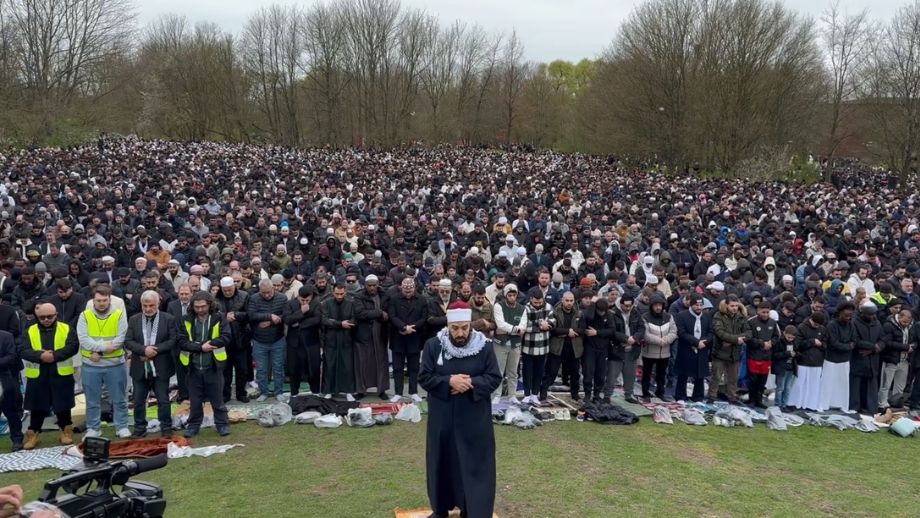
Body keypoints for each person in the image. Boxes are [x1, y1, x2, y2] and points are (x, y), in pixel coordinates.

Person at [418, 300, 501, 518]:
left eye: (465, 327)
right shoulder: (433, 346)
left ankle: (474, 511)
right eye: (455, 328)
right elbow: (425, 377)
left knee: (475, 466)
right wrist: (449, 381)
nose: (460, 333)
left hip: (474, 419)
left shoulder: (484, 346)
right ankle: (440, 509)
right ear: (447, 325)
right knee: (441, 463)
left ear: (470, 325)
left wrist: (470, 383)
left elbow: (493, 378)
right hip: (442, 419)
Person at [18, 301, 79, 450]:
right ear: (37, 316)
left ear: (56, 315)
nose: (46, 320)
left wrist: (54, 356)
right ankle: (33, 434)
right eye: (42, 317)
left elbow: (73, 346)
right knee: (36, 406)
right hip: (38, 374)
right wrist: (41, 356)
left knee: (63, 404)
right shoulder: (30, 330)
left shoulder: (66, 328)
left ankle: (66, 431)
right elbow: (23, 349)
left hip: (60, 372)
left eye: (50, 316)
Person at [77, 285, 130, 439]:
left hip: (115, 364)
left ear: (109, 300)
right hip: (90, 365)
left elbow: (121, 338)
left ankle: (122, 426)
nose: (101, 303)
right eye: (98, 300)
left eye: (104, 300)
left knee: (119, 399)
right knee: (92, 400)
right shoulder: (85, 316)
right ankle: (93, 428)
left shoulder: (119, 315)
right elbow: (83, 339)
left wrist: (99, 351)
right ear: (93, 300)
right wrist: (103, 347)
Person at [178, 291, 231, 437]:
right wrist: (201, 347)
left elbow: (226, 337)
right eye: (197, 307)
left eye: (203, 306)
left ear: (210, 304)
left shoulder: (219, 318)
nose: (200, 309)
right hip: (193, 366)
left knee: (217, 399)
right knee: (195, 401)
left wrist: (210, 344)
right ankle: (193, 425)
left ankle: (222, 424)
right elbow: (182, 341)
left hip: (213, 365)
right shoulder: (186, 320)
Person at [124, 290, 177, 438]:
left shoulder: (168, 319)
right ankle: (140, 428)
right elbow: (128, 341)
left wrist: (155, 350)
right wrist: (143, 350)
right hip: (140, 366)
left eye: (151, 305)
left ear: (158, 303)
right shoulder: (134, 319)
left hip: (161, 365)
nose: (148, 308)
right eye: (145, 305)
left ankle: (166, 428)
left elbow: (173, 340)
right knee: (139, 400)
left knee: (163, 399)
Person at [245, 278, 288, 401]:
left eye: (269, 292)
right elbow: (251, 315)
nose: (267, 295)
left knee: (278, 368)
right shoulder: (254, 298)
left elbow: (286, 315)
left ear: (274, 288)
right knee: (261, 369)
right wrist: (270, 316)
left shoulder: (282, 298)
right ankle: (263, 392)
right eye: (263, 293)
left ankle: (278, 392)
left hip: (277, 339)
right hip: (259, 340)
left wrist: (270, 322)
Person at [388, 277, 428, 403]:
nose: (408, 292)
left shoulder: (421, 299)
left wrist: (412, 328)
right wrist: (404, 327)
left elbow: (424, 317)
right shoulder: (394, 299)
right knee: (397, 367)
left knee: (414, 367)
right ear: (401, 288)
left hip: (415, 337)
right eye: (405, 290)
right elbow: (392, 316)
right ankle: (398, 392)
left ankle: (414, 392)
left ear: (414, 288)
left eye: (410, 290)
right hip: (398, 337)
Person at [353, 274, 390, 399]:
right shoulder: (359, 296)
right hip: (364, 334)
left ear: (378, 285)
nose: (372, 288)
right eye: (370, 285)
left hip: (380, 332)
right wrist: (379, 312)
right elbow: (360, 313)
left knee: (381, 362)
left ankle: (382, 390)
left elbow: (389, 313)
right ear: (365, 285)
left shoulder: (384, 295)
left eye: (374, 285)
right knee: (362, 363)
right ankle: (361, 390)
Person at [214, 276, 251, 403]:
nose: (228, 292)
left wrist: (236, 315)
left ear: (234, 287)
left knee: (242, 369)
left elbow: (249, 314)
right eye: (225, 290)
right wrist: (225, 317)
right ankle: (225, 394)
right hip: (223, 340)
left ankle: (241, 393)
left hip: (240, 338)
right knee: (225, 370)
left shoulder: (244, 296)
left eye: (230, 290)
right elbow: (213, 316)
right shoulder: (215, 298)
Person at [709, 295, 751, 404]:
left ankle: (732, 397)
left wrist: (733, 340)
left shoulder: (742, 317)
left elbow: (749, 333)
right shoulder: (719, 315)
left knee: (733, 378)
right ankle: (711, 397)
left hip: (735, 353)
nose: (734, 308)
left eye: (736, 306)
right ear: (727, 305)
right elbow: (720, 332)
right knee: (716, 377)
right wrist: (736, 339)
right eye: (732, 306)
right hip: (720, 352)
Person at [543, 291, 584, 400]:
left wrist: (570, 331)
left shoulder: (579, 313)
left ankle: (575, 395)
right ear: (562, 300)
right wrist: (567, 332)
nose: (569, 303)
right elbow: (552, 329)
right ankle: (542, 393)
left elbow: (583, 329)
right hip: (557, 347)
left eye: (571, 300)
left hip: (574, 348)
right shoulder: (555, 312)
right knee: (551, 373)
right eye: (567, 300)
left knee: (575, 374)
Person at [282, 285, 322, 396]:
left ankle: (316, 393)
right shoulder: (290, 304)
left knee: (314, 369)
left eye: (307, 300)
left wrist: (298, 323)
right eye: (302, 300)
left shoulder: (316, 304)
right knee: (294, 370)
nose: (305, 302)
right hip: (294, 343)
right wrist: (301, 312)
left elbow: (317, 320)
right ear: (298, 297)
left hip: (311, 342)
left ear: (311, 297)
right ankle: (294, 394)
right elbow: (287, 319)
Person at [321, 283, 357, 401]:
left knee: (347, 365)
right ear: (333, 292)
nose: (339, 296)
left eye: (342, 294)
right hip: (331, 338)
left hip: (346, 338)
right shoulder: (326, 303)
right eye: (337, 294)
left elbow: (354, 320)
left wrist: (335, 323)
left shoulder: (351, 303)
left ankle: (348, 391)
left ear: (345, 292)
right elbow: (325, 320)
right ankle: (328, 391)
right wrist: (340, 324)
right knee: (329, 365)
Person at [673, 294, 713, 402]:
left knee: (700, 375)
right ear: (691, 305)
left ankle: (698, 397)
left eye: (701, 305)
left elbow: (710, 332)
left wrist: (705, 341)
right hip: (686, 348)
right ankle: (680, 396)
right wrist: (696, 342)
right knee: (683, 374)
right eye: (696, 305)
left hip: (702, 348)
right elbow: (681, 332)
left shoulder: (706, 317)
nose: (699, 307)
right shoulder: (682, 315)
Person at [605, 294, 643, 404]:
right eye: (625, 306)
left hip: (632, 349)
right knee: (612, 375)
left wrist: (635, 338)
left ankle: (629, 394)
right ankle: (607, 395)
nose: (627, 308)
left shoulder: (636, 313)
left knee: (630, 375)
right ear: (621, 304)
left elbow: (641, 328)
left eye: (629, 306)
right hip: (617, 348)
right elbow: (612, 331)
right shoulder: (612, 313)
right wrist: (626, 339)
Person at [640, 293, 677, 402]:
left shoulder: (669, 317)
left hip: (665, 352)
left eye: (660, 305)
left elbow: (673, 331)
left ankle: (660, 392)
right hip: (649, 352)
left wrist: (667, 340)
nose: (658, 307)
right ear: (651, 305)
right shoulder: (645, 317)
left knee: (661, 374)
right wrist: (659, 341)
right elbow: (646, 334)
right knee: (646, 374)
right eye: (655, 305)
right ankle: (645, 393)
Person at [492, 283, 526, 401]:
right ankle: (497, 395)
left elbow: (523, 327)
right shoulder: (498, 306)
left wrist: (509, 330)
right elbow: (500, 324)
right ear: (506, 295)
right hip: (500, 343)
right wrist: (515, 330)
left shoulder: (522, 309)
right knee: (499, 371)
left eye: (514, 295)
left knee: (513, 372)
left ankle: (512, 395)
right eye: (510, 295)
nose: (512, 297)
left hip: (515, 344)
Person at [789, 312, 828, 411]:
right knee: (800, 384)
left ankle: (811, 404)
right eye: (815, 324)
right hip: (803, 361)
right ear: (811, 320)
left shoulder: (822, 329)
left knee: (813, 385)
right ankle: (796, 403)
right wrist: (812, 342)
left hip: (817, 361)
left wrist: (821, 345)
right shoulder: (802, 327)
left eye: (819, 325)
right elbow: (798, 345)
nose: (817, 326)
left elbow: (826, 343)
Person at [521, 287, 554, 403]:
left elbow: (553, 321)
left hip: (543, 346)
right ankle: (526, 394)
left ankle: (535, 394)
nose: (538, 304)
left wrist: (548, 324)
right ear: (531, 299)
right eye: (535, 302)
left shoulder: (549, 307)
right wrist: (540, 325)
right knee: (527, 371)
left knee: (539, 372)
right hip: (528, 346)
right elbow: (525, 327)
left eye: (540, 302)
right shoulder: (526, 309)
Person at [821, 302, 855, 412]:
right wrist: (847, 346)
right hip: (831, 358)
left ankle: (841, 405)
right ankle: (825, 403)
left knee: (843, 383)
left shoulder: (851, 325)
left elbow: (854, 340)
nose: (848, 318)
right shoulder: (832, 325)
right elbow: (833, 342)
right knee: (828, 382)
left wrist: (848, 346)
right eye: (846, 316)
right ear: (840, 313)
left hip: (845, 359)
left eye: (850, 316)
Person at [879, 308, 916, 410]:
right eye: (904, 322)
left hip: (904, 360)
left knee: (900, 385)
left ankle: (896, 402)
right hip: (891, 359)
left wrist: (913, 346)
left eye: (908, 323)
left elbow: (915, 339)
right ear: (899, 316)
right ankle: (882, 403)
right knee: (886, 383)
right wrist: (905, 347)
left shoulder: (910, 327)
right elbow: (887, 342)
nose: (906, 324)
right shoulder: (888, 325)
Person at [746, 302, 781, 408]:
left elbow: (777, 336)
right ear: (758, 311)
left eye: (767, 312)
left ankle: (759, 400)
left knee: (762, 381)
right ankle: (751, 399)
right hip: (754, 356)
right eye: (763, 312)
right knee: (753, 380)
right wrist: (762, 343)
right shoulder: (751, 322)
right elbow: (748, 338)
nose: (765, 314)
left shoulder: (772, 323)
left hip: (767, 357)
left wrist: (771, 343)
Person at [850, 301, 882, 414]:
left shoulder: (877, 323)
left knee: (871, 385)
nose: (872, 317)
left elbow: (883, 339)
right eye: (869, 314)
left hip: (872, 359)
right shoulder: (854, 322)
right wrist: (873, 347)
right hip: (859, 358)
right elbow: (855, 340)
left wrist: (877, 347)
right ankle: (854, 407)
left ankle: (870, 408)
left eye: (873, 314)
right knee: (856, 385)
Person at [0, 328, 24, 451]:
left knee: (11, 411)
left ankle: (17, 439)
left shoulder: (6, 336)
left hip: (3, 378)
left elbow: (11, 356)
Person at [772, 325, 798, 411]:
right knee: (780, 388)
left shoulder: (794, 342)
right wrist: (787, 354)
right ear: (784, 333)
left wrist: (796, 354)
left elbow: (797, 352)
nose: (790, 339)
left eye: (792, 338)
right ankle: (778, 405)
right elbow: (775, 355)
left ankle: (784, 404)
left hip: (790, 368)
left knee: (788, 388)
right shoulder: (779, 342)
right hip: (781, 369)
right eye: (789, 337)